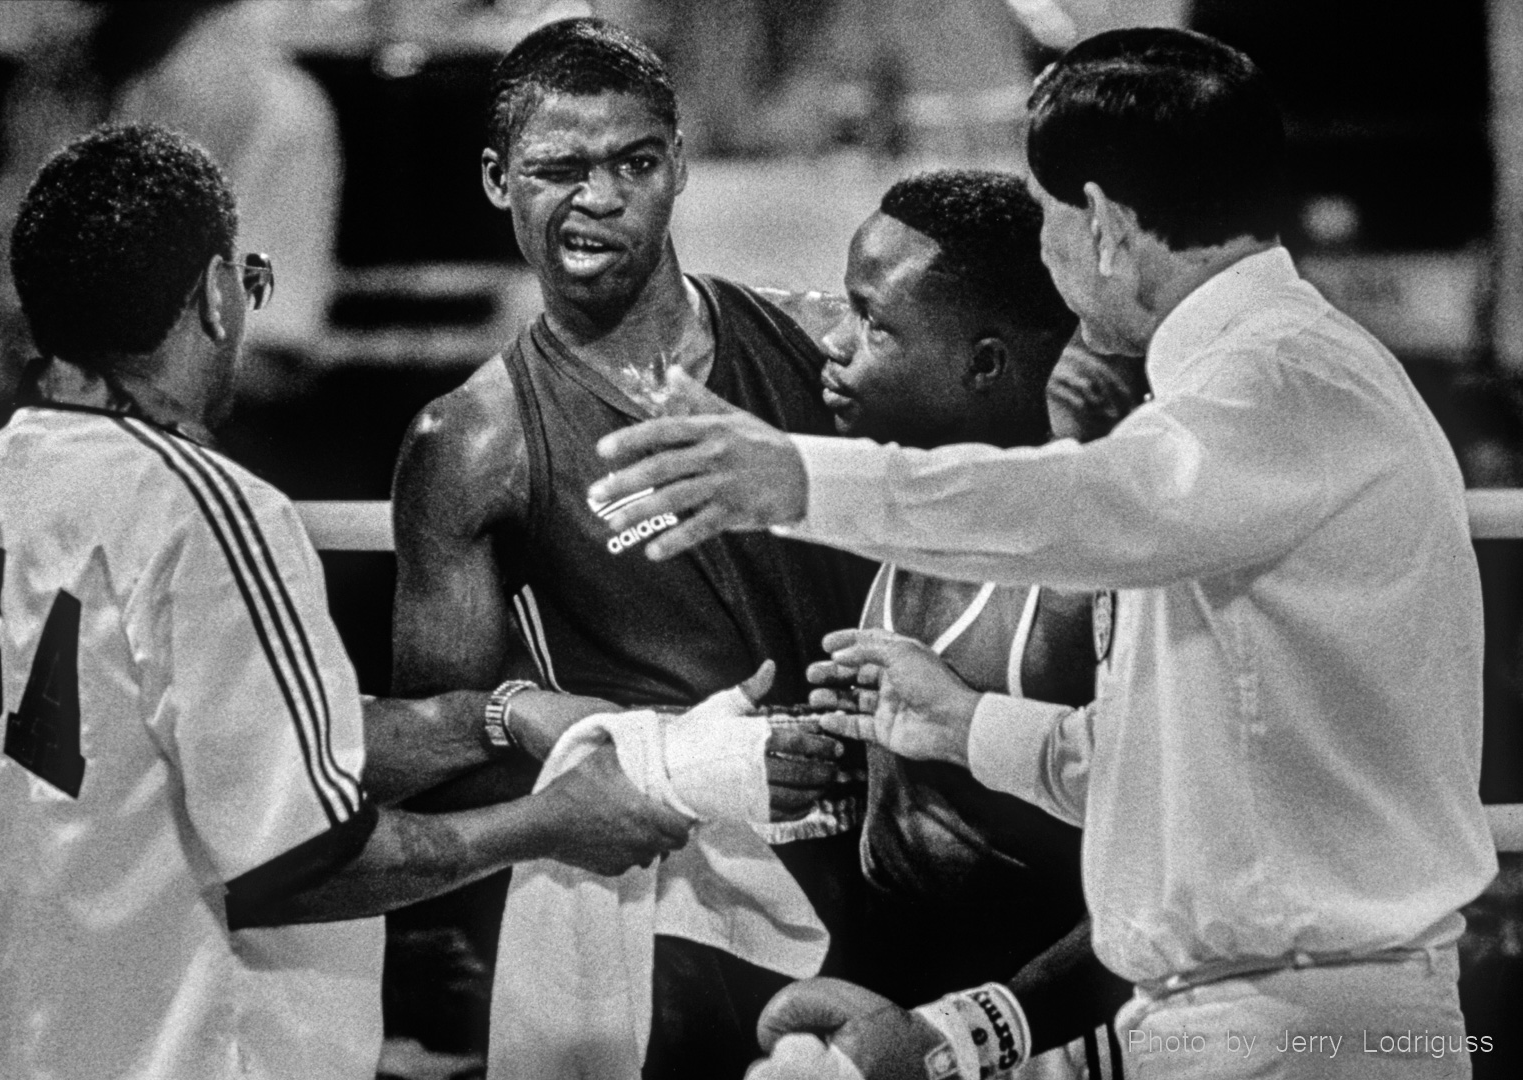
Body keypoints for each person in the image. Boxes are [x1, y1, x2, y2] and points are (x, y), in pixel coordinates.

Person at [590, 27, 1498, 1080]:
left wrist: (796, 478)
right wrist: (971, 725)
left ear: (1106, 223)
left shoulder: (1279, 386)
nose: (1047, 251)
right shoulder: (1261, 390)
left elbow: (1089, 504)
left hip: (1303, 1028)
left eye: (1053, 215)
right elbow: (1185, 769)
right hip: (1272, 1018)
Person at [0, 122, 698, 1080]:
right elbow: (306, 860)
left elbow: (238, 754)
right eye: (247, 278)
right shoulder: (203, 506)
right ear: (212, 293)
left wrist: (494, 718)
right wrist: (554, 824)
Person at [389, 18, 872, 1080]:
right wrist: (657, 761)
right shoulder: (474, 440)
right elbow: (439, 747)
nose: (600, 198)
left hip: (890, 873)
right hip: (673, 911)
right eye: (559, 170)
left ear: (681, 163)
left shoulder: (822, 343)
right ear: (495, 179)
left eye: (635, 162)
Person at [799, 168, 1137, 1074]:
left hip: (1058, 1037)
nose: (836, 344)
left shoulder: (1085, 574)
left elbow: (1164, 870)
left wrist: (971, 1033)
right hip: (911, 1021)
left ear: (985, 364)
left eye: (874, 323)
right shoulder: (903, 527)